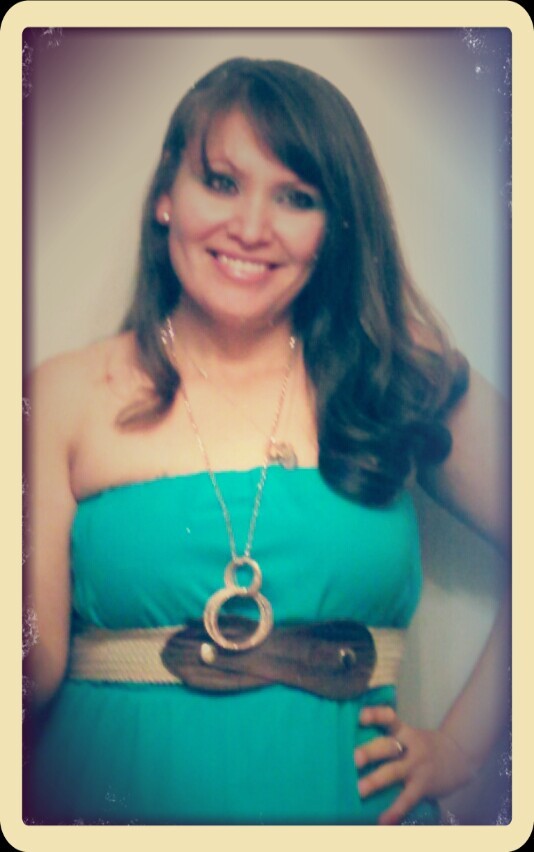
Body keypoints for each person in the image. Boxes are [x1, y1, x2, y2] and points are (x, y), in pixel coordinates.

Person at [23, 57, 510, 825]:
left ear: (336, 227)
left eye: (296, 197)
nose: (251, 228)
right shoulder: (58, 394)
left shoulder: (394, 373)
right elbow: (31, 671)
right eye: (221, 182)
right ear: (165, 194)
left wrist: (463, 750)